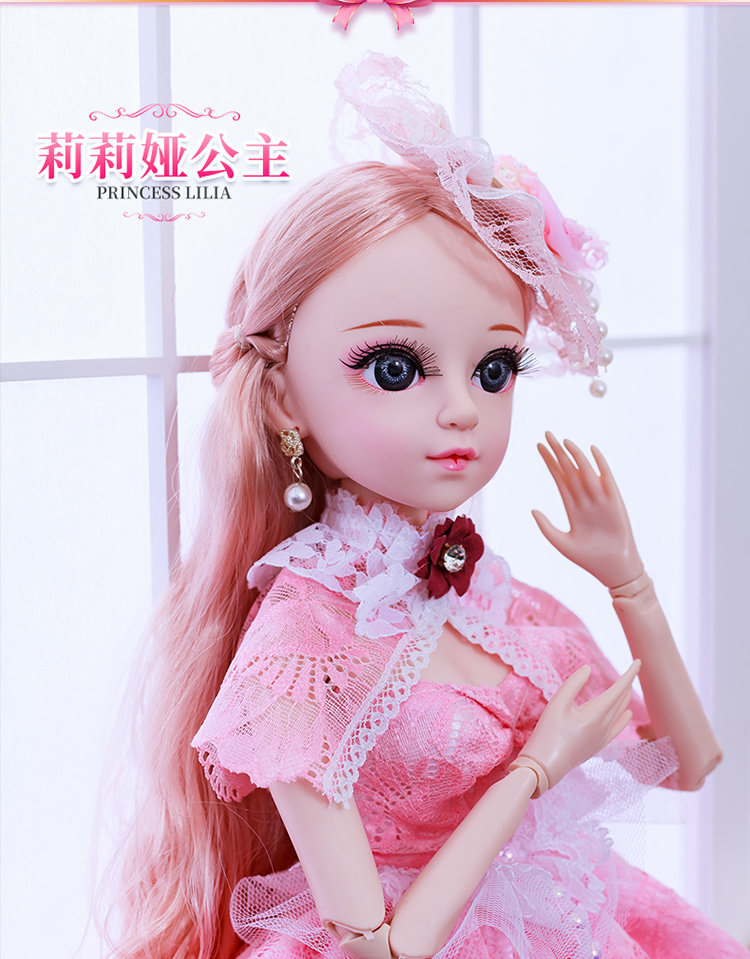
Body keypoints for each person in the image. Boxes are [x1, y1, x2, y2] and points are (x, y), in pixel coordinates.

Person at [101, 56, 747, 959]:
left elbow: (687, 764)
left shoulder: (489, 599)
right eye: (397, 368)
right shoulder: (303, 637)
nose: (461, 410)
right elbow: (376, 946)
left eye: (494, 368)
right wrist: (534, 770)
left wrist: (627, 581)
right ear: (282, 396)